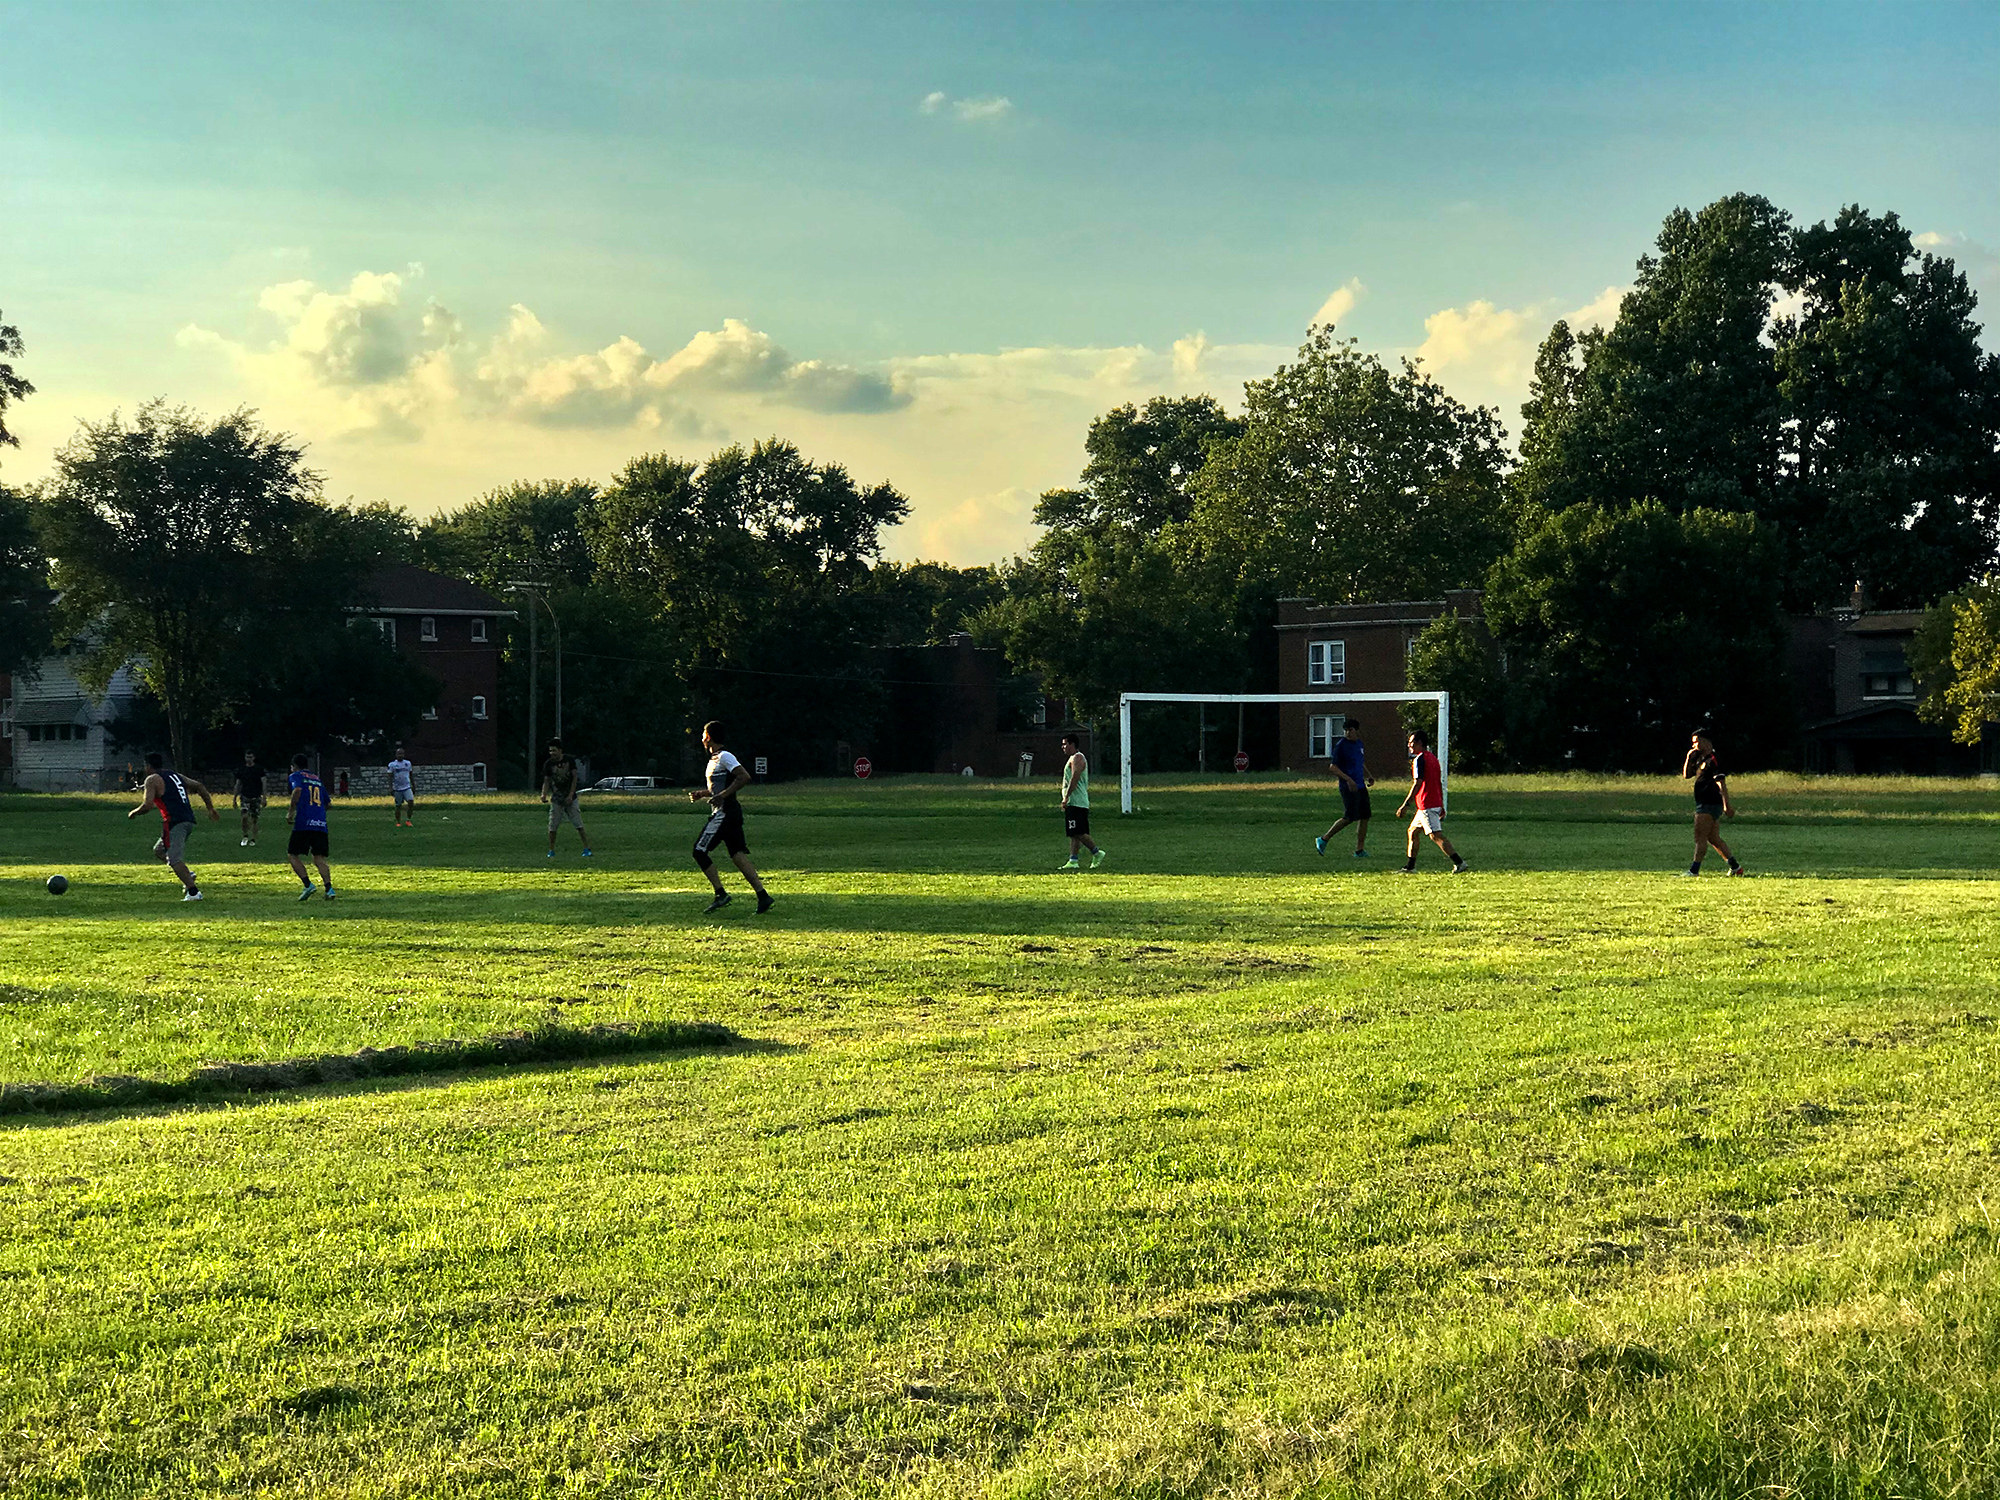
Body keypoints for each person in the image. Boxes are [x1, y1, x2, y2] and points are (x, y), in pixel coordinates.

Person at [688, 720, 772, 913]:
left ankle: (721, 894)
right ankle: (763, 896)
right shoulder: (714, 760)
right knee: (737, 855)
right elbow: (717, 789)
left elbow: (744, 776)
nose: (701, 738)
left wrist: (722, 796)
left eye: (703, 734)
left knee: (699, 851)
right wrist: (703, 793)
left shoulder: (725, 756)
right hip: (730, 812)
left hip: (725, 813)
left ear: (708, 737)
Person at [126, 751, 218, 901]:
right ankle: (188, 874)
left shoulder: (152, 779)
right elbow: (199, 786)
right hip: (188, 819)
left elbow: (148, 805)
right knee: (159, 850)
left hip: (174, 821)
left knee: (174, 859)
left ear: (148, 766)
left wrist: (134, 812)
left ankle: (193, 892)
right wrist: (210, 808)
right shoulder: (174, 775)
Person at [1396, 728, 1466, 875]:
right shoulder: (1432, 758)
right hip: (1429, 803)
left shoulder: (1419, 759)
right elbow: (1438, 782)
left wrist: (1406, 804)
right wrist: (1441, 803)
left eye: (1411, 742)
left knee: (1435, 835)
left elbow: (1418, 782)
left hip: (1426, 803)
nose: (1409, 745)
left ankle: (1459, 863)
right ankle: (1410, 866)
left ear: (1419, 743)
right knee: (1413, 832)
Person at [1681, 729, 1746, 877]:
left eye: (1696, 742)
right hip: (1704, 802)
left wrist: (1726, 804)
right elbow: (1687, 775)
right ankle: (1735, 867)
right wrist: (1688, 758)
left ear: (1706, 741)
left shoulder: (1713, 759)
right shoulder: (1700, 758)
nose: (1694, 745)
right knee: (1713, 838)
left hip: (1709, 803)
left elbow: (1721, 783)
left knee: (1700, 837)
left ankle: (1694, 870)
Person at [1316, 718, 1373, 858]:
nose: (1348, 733)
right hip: (1348, 787)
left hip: (1360, 785)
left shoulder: (1359, 744)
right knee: (1350, 817)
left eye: (1350, 730)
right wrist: (1348, 780)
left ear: (1356, 731)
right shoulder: (1341, 746)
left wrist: (1369, 775)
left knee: (1365, 816)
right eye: (1346, 730)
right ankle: (1324, 839)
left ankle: (1359, 850)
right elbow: (1333, 767)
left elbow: (1360, 761)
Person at [285, 752, 335, 900]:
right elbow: (328, 804)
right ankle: (329, 889)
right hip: (320, 823)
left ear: (294, 766)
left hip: (304, 823)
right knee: (319, 858)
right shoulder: (317, 779)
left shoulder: (296, 776)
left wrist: (291, 812)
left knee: (292, 854)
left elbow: (297, 790)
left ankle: (308, 885)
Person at [1056, 732, 1105, 870]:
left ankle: (1096, 852)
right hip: (1075, 801)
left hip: (1076, 801)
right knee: (1074, 833)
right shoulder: (1072, 758)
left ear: (1072, 744)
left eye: (1065, 744)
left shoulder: (1077, 758)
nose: (1063, 747)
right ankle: (1073, 860)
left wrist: (1066, 797)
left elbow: (1075, 778)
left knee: (1077, 831)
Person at [540, 739, 593, 857]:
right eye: (550, 751)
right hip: (557, 798)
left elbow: (574, 778)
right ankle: (551, 850)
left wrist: (570, 795)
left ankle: (587, 848)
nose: (552, 753)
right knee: (553, 826)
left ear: (560, 750)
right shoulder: (548, 764)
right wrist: (544, 794)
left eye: (554, 750)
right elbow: (547, 781)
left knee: (578, 824)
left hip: (571, 798)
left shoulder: (569, 761)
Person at [234, 748, 266, 847]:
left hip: (256, 796)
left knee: (254, 819)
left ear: (254, 758)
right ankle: (245, 836)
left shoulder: (259, 770)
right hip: (245, 796)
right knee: (244, 817)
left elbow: (264, 783)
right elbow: (238, 784)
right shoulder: (241, 769)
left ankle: (253, 839)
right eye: (247, 757)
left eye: (250, 757)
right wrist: (234, 798)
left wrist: (264, 797)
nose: (249, 759)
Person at [386, 747, 416, 827]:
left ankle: (408, 820)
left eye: (402, 754)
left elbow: (410, 774)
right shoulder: (392, 765)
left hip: (407, 786)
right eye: (399, 754)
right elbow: (390, 776)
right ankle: (398, 822)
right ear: (396, 755)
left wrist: (413, 785)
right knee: (398, 805)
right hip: (397, 788)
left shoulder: (408, 763)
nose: (400, 755)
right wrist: (390, 787)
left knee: (411, 802)